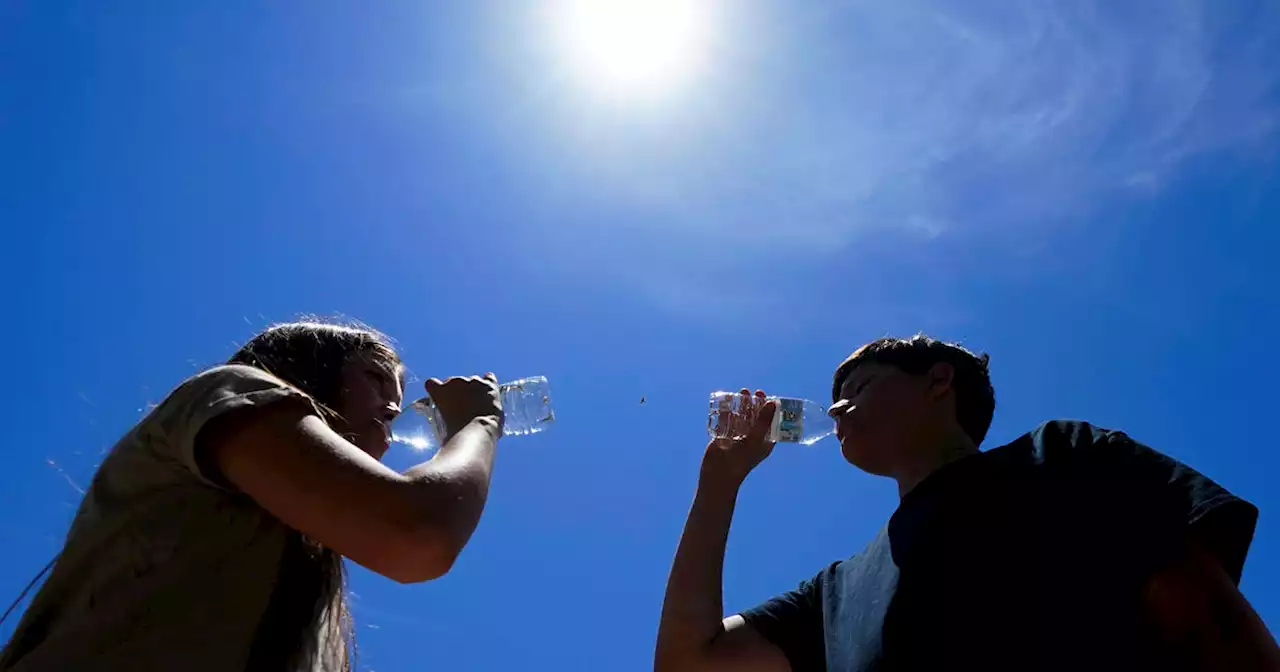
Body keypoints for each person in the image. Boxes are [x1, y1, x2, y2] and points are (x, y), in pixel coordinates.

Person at [655, 335, 1279, 672]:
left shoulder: (1060, 456)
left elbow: (1212, 624)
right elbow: (689, 664)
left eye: (859, 388)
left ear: (938, 381)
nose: (837, 409)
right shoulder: (836, 593)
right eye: (834, 399)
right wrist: (721, 481)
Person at [0, 321, 505, 671]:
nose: (394, 405)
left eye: (397, 392)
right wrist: (478, 423)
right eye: (375, 377)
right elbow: (416, 533)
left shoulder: (303, 552)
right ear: (311, 370)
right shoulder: (231, 392)